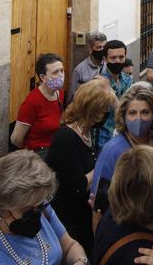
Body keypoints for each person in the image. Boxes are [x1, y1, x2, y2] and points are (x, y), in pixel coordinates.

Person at [46, 80, 117, 254]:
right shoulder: (66, 138)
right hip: (69, 222)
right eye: (103, 110)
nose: (105, 115)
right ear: (92, 110)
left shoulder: (87, 132)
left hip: (82, 217)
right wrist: (102, 163)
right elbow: (76, 186)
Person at [90, 84, 153, 211]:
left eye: (145, 112)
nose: (139, 118)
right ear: (124, 117)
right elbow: (98, 205)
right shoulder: (112, 150)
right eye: (132, 113)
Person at [10, 54, 65, 159]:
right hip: (38, 155)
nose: (60, 75)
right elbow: (16, 139)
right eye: (55, 72)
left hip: (55, 149)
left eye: (62, 71)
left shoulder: (60, 93)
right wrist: (32, 154)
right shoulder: (32, 102)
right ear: (43, 77)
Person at [96, 39, 133, 151]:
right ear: (105, 59)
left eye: (121, 57)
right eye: (113, 58)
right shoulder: (98, 82)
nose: (117, 61)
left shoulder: (127, 80)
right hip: (103, 139)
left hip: (123, 135)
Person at [68, 32, 106, 104]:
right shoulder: (79, 70)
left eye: (104, 47)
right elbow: (72, 96)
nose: (102, 50)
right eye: (99, 47)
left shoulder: (107, 65)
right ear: (90, 48)